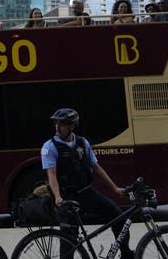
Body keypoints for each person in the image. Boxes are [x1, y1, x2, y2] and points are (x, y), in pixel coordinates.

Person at [43, 108, 132, 259]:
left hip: (86, 192)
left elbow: (96, 167)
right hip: (66, 196)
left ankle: (126, 253)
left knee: (118, 216)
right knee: (68, 238)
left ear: (71, 126)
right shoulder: (49, 147)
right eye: (56, 123)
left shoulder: (83, 143)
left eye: (62, 124)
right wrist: (58, 196)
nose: (57, 127)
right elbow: (51, 174)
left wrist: (115, 188)